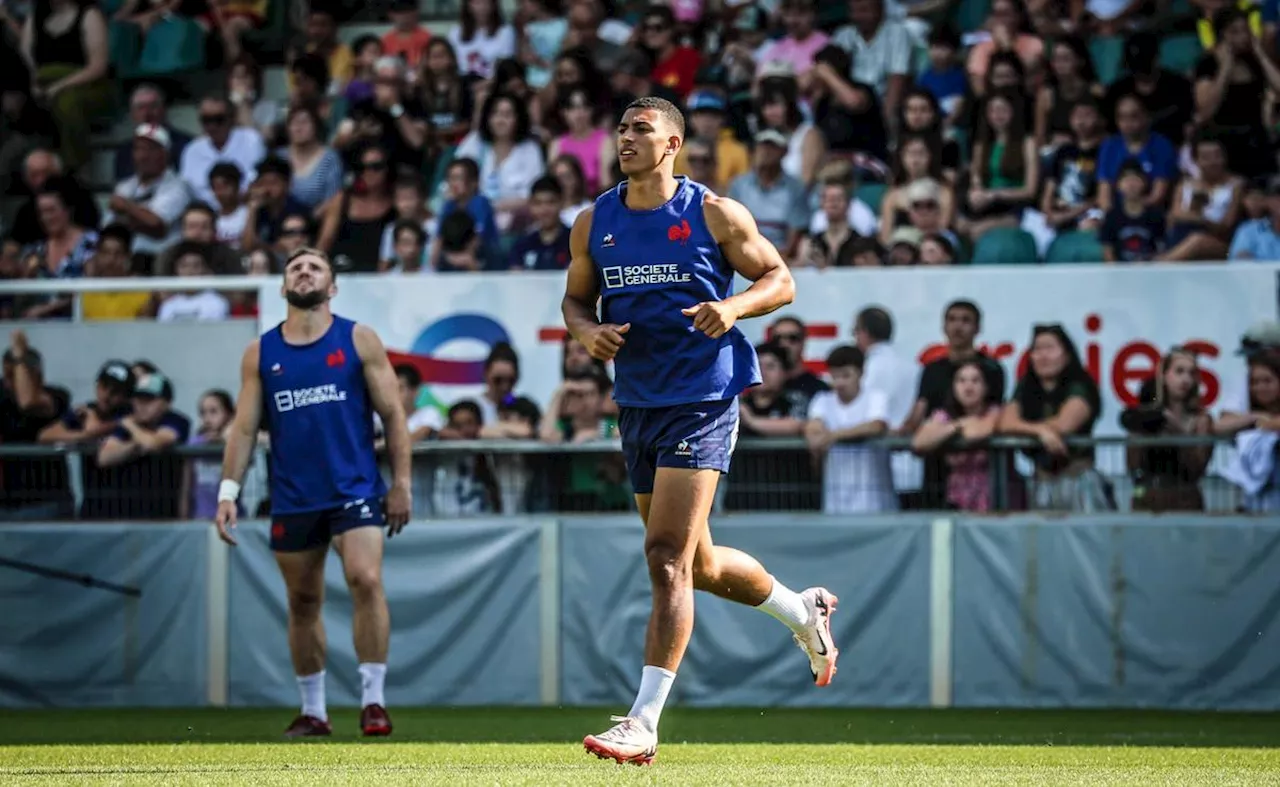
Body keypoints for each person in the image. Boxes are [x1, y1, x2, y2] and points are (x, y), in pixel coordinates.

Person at [561, 96, 837, 766]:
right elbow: (574, 298)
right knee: (700, 565)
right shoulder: (594, 220)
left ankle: (644, 721)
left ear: (673, 144)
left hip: (703, 396)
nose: (626, 138)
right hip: (638, 401)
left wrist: (733, 304)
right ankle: (802, 611)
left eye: (641, 130)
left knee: (665, 559)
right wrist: (587, 330)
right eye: (621, 128)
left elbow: (781, 278)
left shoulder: (711, 212)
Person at [213, 247, 413, 738]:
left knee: (365, 578)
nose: (304, 272)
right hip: (294, 495)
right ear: (282, 287)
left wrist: (401, 483)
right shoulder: (261, 352)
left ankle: (373, 702)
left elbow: (393, 415)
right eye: (295, 268)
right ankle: (314, 711)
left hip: (356, 489)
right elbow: (242, 430)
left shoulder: (358, 339)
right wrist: (227, 492)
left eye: (315, 266)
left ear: (333, 285)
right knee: (303, 601)